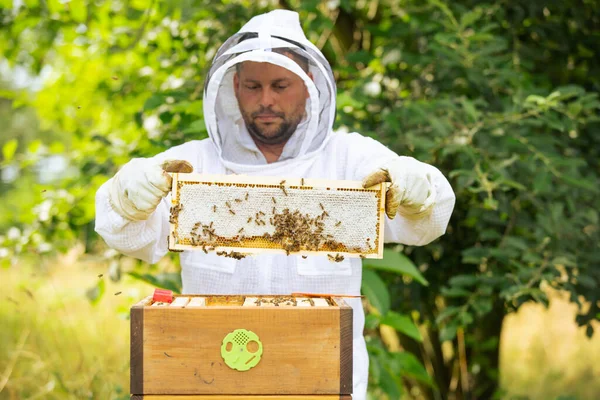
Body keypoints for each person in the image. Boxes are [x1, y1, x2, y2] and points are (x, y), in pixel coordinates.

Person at [95, 9, 455, 399]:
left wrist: (417, 188)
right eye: (253, 86)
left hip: (324, 382)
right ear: (234, 87)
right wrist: (127, 195)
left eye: (280, 85)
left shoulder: (350, 159)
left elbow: (430, 219)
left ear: (309, 84)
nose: (266, 100)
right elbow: (121, 230)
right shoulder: (192, 164)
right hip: (212, 380)